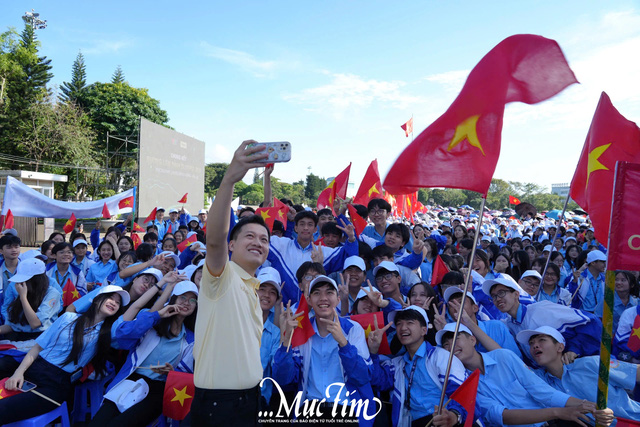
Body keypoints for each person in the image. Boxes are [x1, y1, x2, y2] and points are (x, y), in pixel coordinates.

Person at [190, 140, 270, 426]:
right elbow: (213, 240)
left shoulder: (253, 286)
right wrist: (229, 180)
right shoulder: (222, 276)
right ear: (232, 244)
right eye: (250, 236)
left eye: (264, 240)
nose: (258, 243)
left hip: (249, 401)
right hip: (218, 408)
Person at [0, 285, 127, 423]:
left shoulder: (107, 333)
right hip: (33, 370)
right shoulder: (68, 318)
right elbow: (37, 348)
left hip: (56, 385)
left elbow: (134, 311)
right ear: (97, 299)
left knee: (3, 409)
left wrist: (154, 285)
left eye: (118, 302)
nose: (114, 303)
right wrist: (18, 373)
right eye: (110, 297)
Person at [439, 323, 597, 426]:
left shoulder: (503, 357)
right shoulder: (465, 383)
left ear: (473, 340)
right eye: (445, 345)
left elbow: (541, 390)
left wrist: (585, 405)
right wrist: (557, 411)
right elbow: (502, 416)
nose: (450, 347)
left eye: (455, 339)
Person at [90, 281, 197, 427]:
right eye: (183, 298)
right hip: (131, 381)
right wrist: (157, 315)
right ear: (173, 299)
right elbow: (122, 334)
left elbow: (188, 376)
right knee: (97, 423)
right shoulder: (151, 323)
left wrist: (171, 373)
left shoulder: (191, 339)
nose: (187, 303)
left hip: (159, 390)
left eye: (192, 300)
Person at [274, 275, 375, 425]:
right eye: (316, 293)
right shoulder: (300, 331)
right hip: (309, 411)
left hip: (345, 410)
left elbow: (363, 376)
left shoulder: (353, 329)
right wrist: (286, 342)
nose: (323, 298)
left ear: (338, 299)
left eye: (329, 292)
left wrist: (344, 343)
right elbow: (283, 379)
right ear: (308, 300)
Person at [368, 306, 468, 427]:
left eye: (410, 322)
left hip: (444, 420)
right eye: (399, 323)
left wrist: (453, 415)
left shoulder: (442, 357)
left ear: (424, 330)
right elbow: (378, 381)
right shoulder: (397, 364)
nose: (403, 328)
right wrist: (373, 352)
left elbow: (464, 393)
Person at [517, 326, 638, 424]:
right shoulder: (542, 382)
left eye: (542, 340)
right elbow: (511, 365)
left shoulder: (590, 363)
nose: (535, 346)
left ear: (560, 347)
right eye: (531, 343)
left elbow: (636, 373)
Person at [482, 277, 602, 366]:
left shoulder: (541, 309)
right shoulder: (508, 325)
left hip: (584, 367)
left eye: (502, 293)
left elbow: (591, 321)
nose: (498, 299)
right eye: (493, 296)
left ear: (516, 294)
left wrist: (574, 349)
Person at [0, 258, 61, 342]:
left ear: (35, 280)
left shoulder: (52, 293)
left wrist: (23, 297)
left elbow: (35, 323)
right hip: (18, 338)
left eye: (24, 280)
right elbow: (13, 326)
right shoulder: (24, 291)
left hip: (40, 338)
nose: (20, 283)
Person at [568, 249, 606, 314]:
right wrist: (574, 282)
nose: (605, 264)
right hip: (583, 315)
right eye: (602, 262)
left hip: (600, 316)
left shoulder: (605, 279)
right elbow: (571, 298)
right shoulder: (580, 277)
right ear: (593, 263)